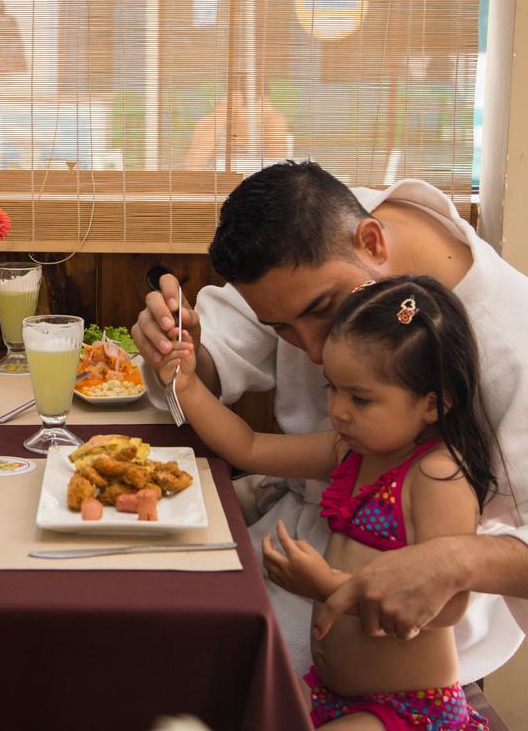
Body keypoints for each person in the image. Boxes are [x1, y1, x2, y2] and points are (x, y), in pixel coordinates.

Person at [132, 161, 528, 683]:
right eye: (282, 329)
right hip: (299, 548)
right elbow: (225, 373)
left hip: (405, 640)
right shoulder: (317, 228)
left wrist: (452, 560)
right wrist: (180, 351)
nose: (314, 351)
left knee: (190, 664)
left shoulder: (513, 344)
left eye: (322, 310)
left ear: (374, 242)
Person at [162, 275, 495, 729]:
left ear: (433, 405)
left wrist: (329, 587)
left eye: (360, 398)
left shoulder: (435, 477)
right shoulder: (352, 452)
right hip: (333, 693)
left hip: (407, 709)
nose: (338, 410)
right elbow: (251, 448)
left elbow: (447, 607)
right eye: (331, 388)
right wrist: (188, 387)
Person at [181, 89, 290, 170]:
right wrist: (221, 114)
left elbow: (278, 164)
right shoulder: (213, 122)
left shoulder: (272, 120)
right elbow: (192, 166)